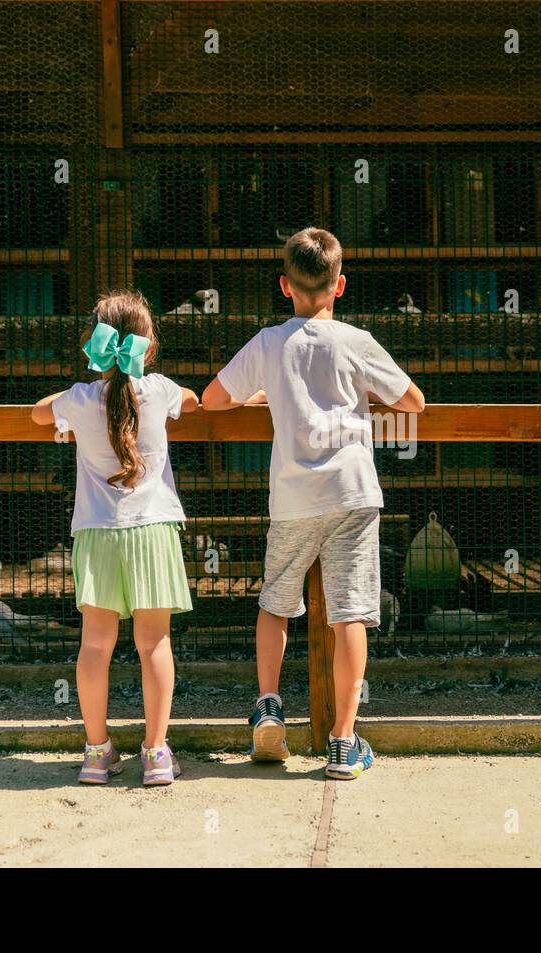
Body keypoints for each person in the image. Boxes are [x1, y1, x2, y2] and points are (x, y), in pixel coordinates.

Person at [202, 227, 425, 779]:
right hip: (352, 493)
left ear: (285, 286)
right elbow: (413, 401)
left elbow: (212, 399)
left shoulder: (269, 343)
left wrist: (265, 393)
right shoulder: (357, 341)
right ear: (340, 285)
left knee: (276, 601)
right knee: (350, 613)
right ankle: (344, 742)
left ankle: (270, 704)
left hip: (294, 497)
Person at [32, 290, 197, 786]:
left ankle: (97, 753)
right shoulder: (162, 390)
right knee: (154, 644)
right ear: (148, 349)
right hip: (153, 532)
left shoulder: (81, 399)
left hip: (97, 535)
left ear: (94, 344)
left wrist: (85, 383)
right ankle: (155, 753)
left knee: (95, 646)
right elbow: (194, 400)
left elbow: (39, 413)